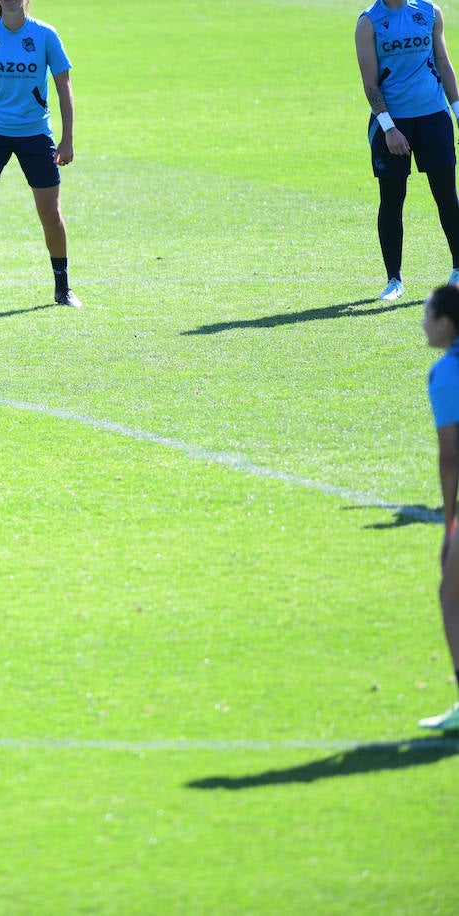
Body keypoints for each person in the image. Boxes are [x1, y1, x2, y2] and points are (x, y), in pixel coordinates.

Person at [0, 0, 78, 307]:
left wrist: (67, 139)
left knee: (50, 214)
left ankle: (63, 288)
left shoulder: (46, 35)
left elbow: (64, 86)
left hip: (34, 134)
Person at [356, 0, 459, 302]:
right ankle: (394, 280)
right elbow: (370, 83)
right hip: (392, 121)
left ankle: (458, 269)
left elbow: (443, 62)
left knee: (446, 195)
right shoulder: (369, 23)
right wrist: (389, 128)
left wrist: (457, 111)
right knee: (392, 199)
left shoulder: (429, 12)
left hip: (433, 116)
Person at [419, 282, 459, 730]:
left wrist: (449, 523)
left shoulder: (446, 373)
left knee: (452, 594)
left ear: (446, 324)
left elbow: (450, 456)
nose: (423, 322)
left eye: (428, 315)